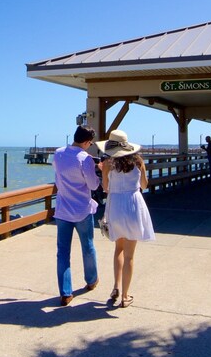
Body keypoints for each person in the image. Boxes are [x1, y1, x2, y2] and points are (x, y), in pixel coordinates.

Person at [98, 129, 155, 308]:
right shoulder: (138, 161)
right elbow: (144, 185)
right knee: (130, 255)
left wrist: (104, 172)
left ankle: (115, 287)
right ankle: (125, 295)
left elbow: (105, 188)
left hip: (115, 205)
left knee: (119, 250)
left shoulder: (108, 163)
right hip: (133, 204)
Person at [52, 125, 102, 306]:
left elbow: (58, 174)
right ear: (88, 141)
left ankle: (65, 293)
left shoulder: (58, 153)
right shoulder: (85, 159)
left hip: (63, 210)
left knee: (62, 252)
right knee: (87, 246)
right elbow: (93, 185)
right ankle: (91, 280)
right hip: (82, 210)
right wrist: (98, 171)